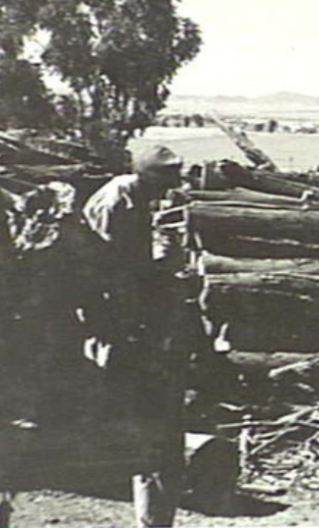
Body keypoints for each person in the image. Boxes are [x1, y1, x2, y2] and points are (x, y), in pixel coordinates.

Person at [81, 144, 186, 528]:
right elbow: (104, 268)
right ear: (145, 173)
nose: (171, 185)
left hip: (130, 311)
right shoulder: (117, 201)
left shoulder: (142, 198)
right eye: (166, 178)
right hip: (107, 313)